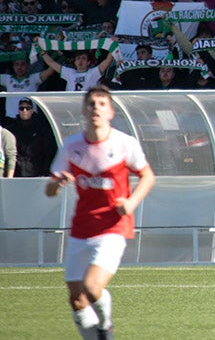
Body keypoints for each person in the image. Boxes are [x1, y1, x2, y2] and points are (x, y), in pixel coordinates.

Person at [45, 86, 156, 339]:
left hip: (113, 227)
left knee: (92, 288)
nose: (96, 108)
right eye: (91, 103)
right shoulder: (71, 145)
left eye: (101, 104)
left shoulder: (124, 143)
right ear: (84, 110)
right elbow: (49, 191)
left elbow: (148, 176)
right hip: (81, 228)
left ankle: (105, 324)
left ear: (111, 112)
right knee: (76, 300)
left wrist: (131, 202)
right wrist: (56, 183)